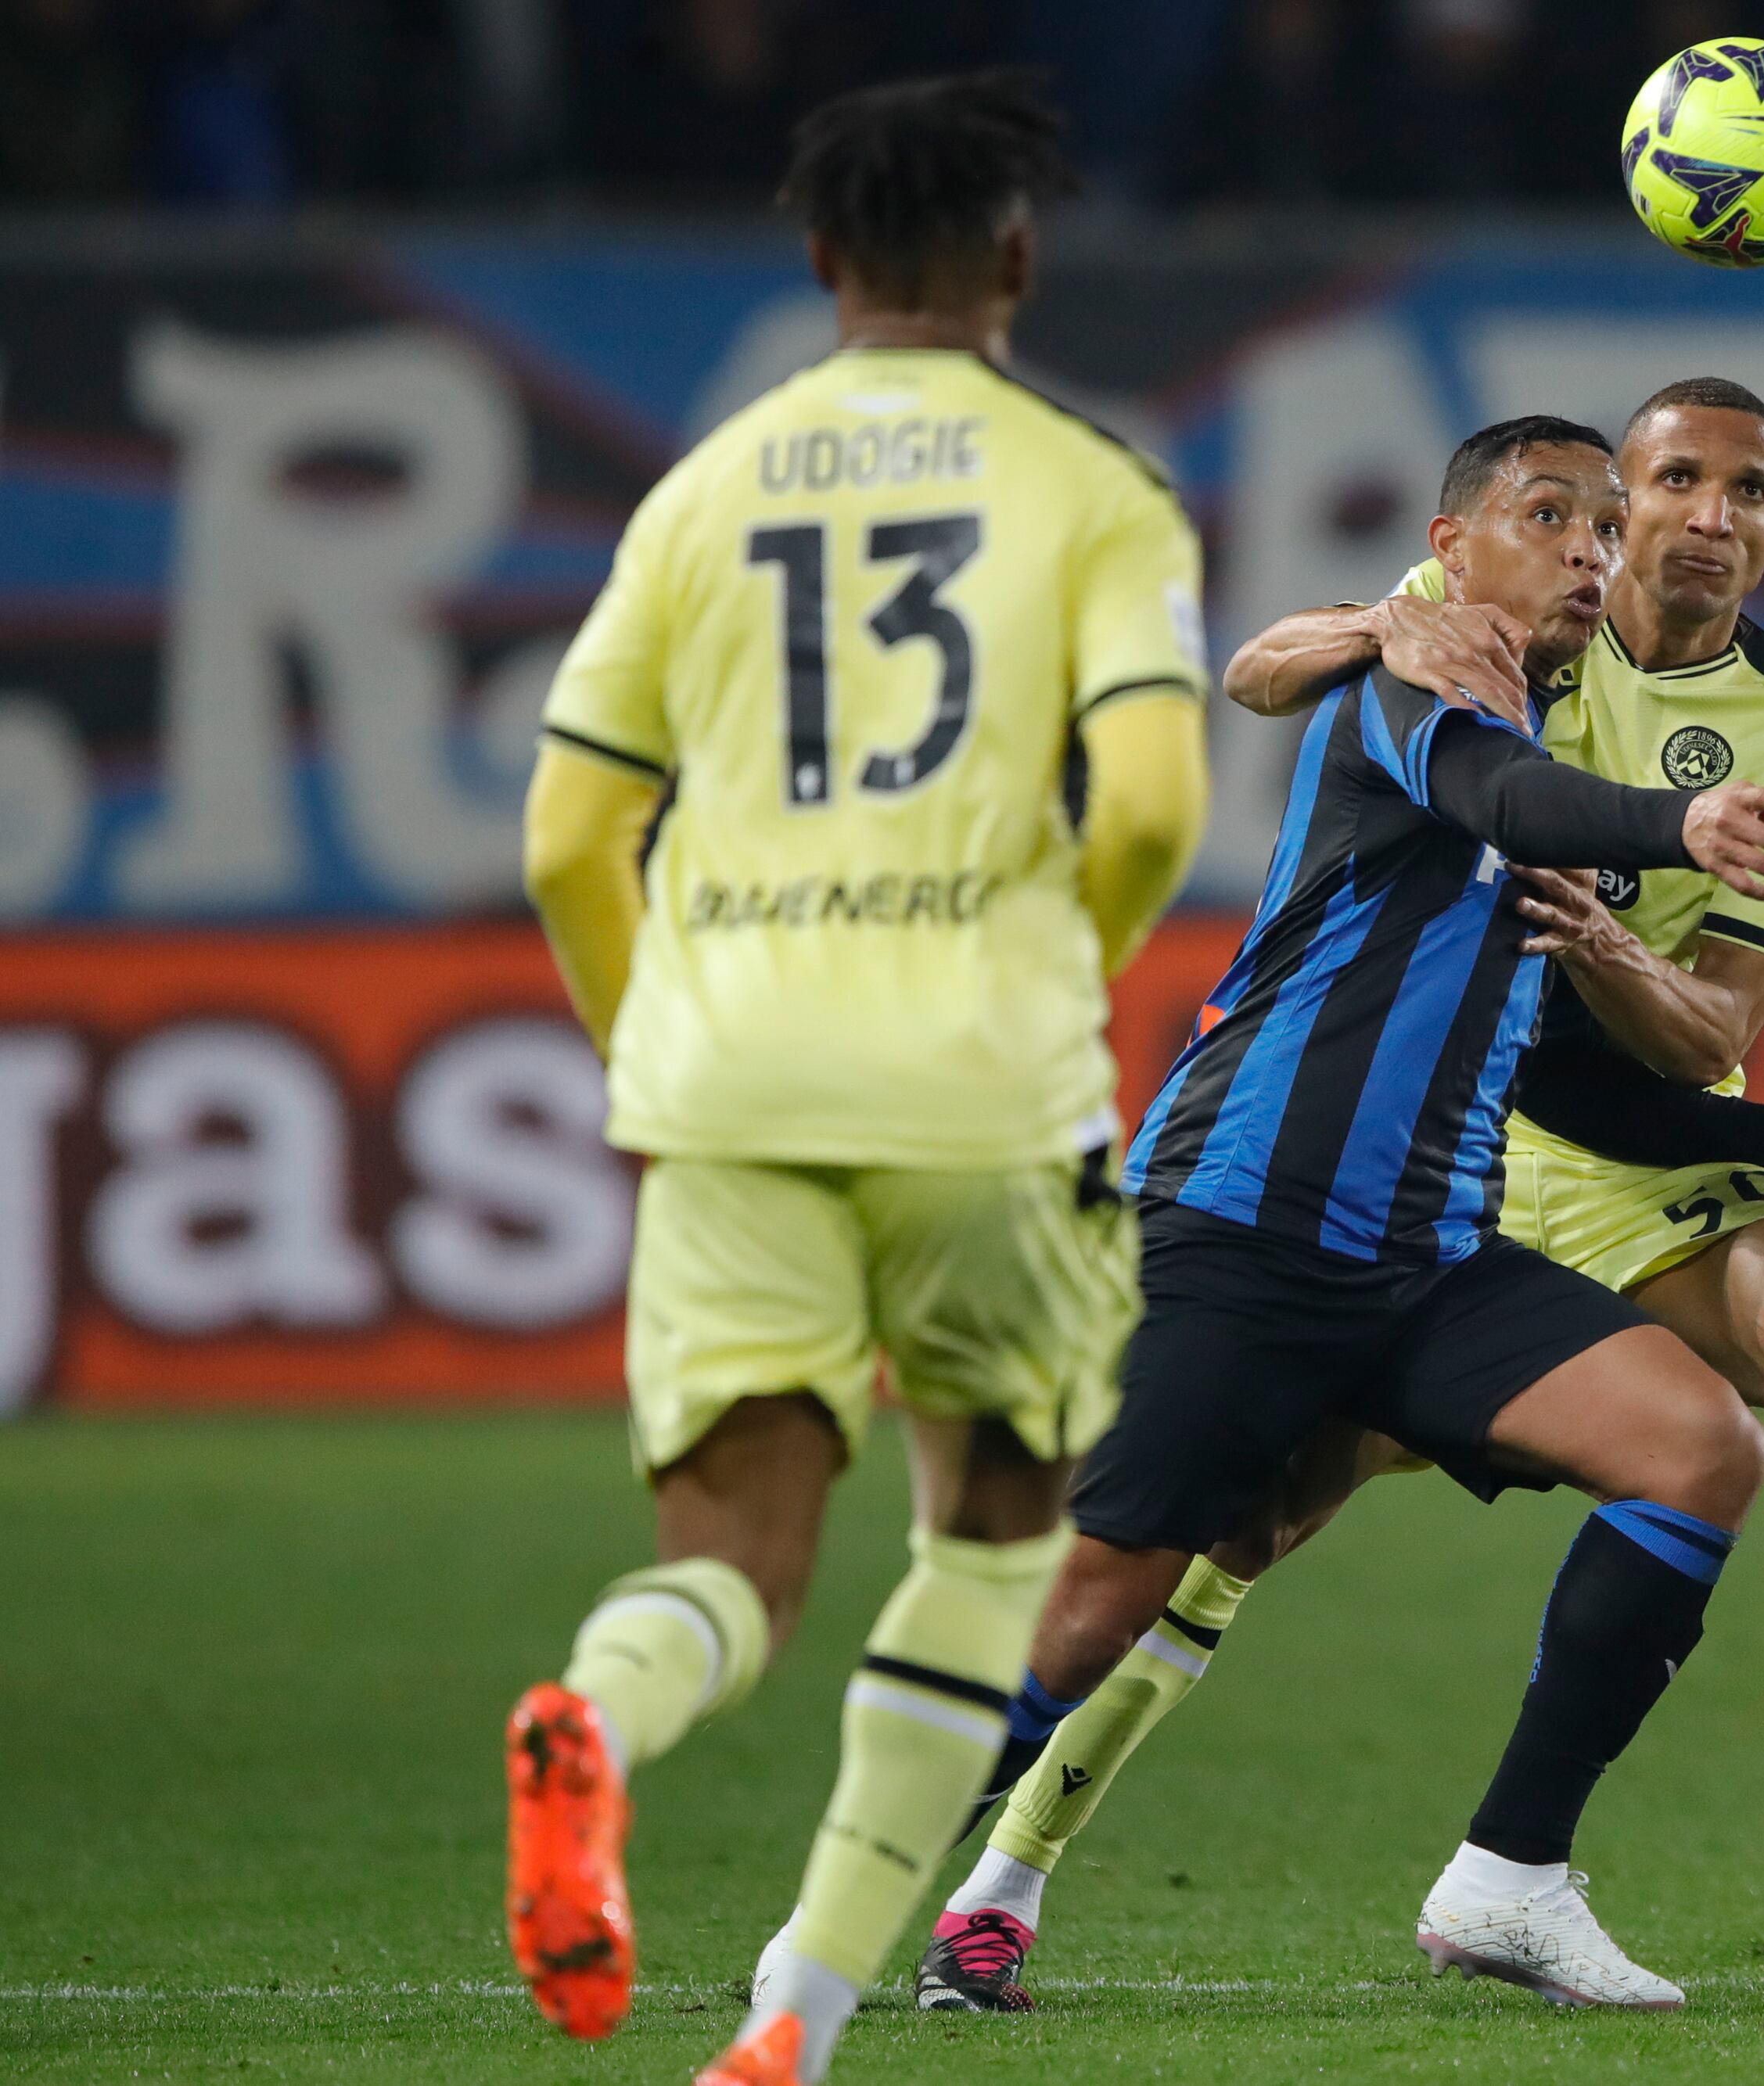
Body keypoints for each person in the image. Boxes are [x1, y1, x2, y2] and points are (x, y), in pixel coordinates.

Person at [921, 381, 1764, 2012]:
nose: (1694, 515)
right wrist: (1370, 626)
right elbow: (1277, 679)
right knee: (1216, 1537)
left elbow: (1698, 1038)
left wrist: (1720, 1044)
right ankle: (981, 1875)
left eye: (1740, 489)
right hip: (1381, 1171)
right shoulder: (1474, 627)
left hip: (1568, 1141)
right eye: (1661, 481)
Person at [802, 410, 1764, 2023]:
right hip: (1245, 1224)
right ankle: (863, 1892)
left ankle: (1509, 1876)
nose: (1585, 545)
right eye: (1545, 514)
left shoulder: (1546, 715)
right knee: (1097, 1601)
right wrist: (1675, 827)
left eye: (1594, 524)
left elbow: (1578, 1063)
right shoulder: (1419, 682)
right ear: (1449, 546)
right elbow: (1506, 793)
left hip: (1422, 1261)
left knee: (1699, 1450)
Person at [501, 72, 1213, 2086]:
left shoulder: (697, 491)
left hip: (725, 1076)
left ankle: (597, 1717)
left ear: (819, 264)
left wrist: (661, 1035)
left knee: (727, 1559)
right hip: (981, 1080)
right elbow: (1153, 796)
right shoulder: (1095, 486)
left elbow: (568, 835)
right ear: (1014, 257)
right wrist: (1045, 958)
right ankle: (788, 2024)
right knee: (994, 1540)